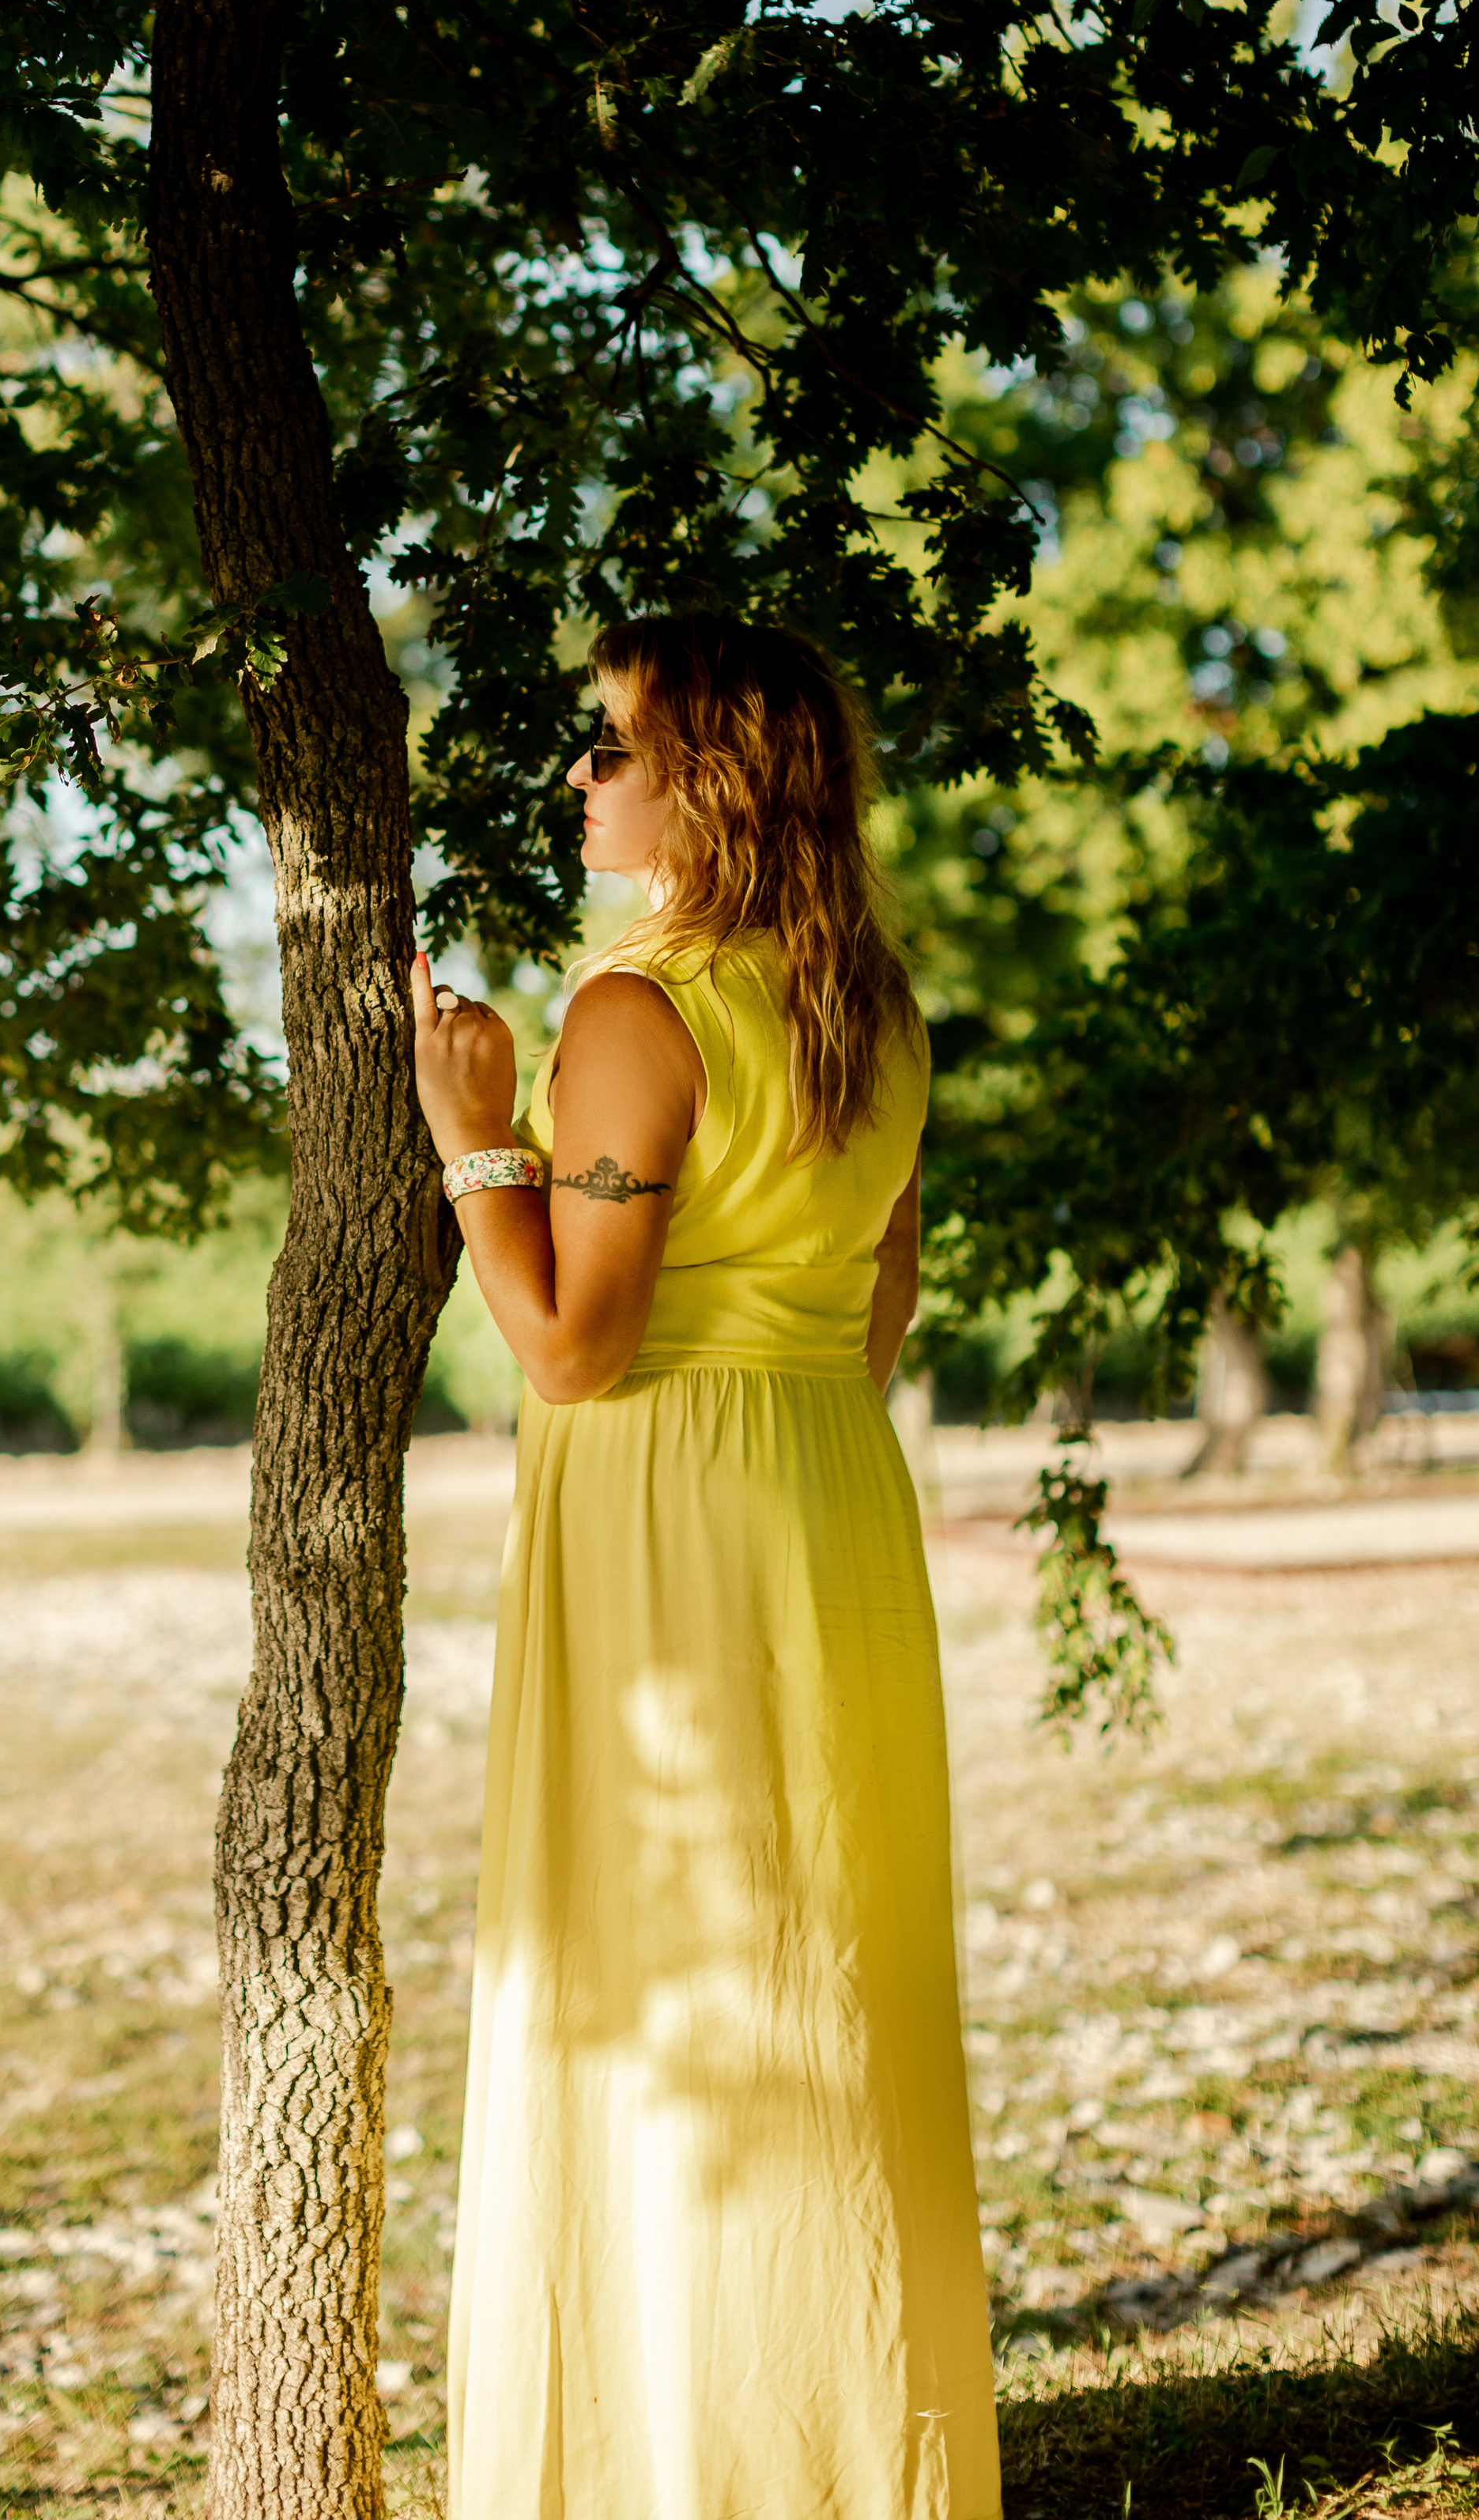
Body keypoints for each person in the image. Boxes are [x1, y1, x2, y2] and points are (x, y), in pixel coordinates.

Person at [410, 613, 1001, 2520]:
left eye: (610, 750)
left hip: (660, 1500)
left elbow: (570, 1346)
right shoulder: (873, 1009)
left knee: (660, 1968)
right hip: (826, 1487)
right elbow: (881, 1302)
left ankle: (666, 2472)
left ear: (711, 784)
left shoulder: (631, 1011)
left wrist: (473, 1146)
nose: (578, 778)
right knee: (825, 1966)